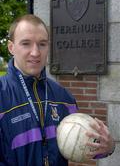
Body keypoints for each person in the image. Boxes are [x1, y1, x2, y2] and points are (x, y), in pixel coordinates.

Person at [0, 14, 115, 166]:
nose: (35, 52)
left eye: (42, 44)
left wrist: (107, 147)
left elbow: (81, 145)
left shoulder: (63, 96)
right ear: (11, 48)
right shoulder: (2, 94)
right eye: (26, 43)